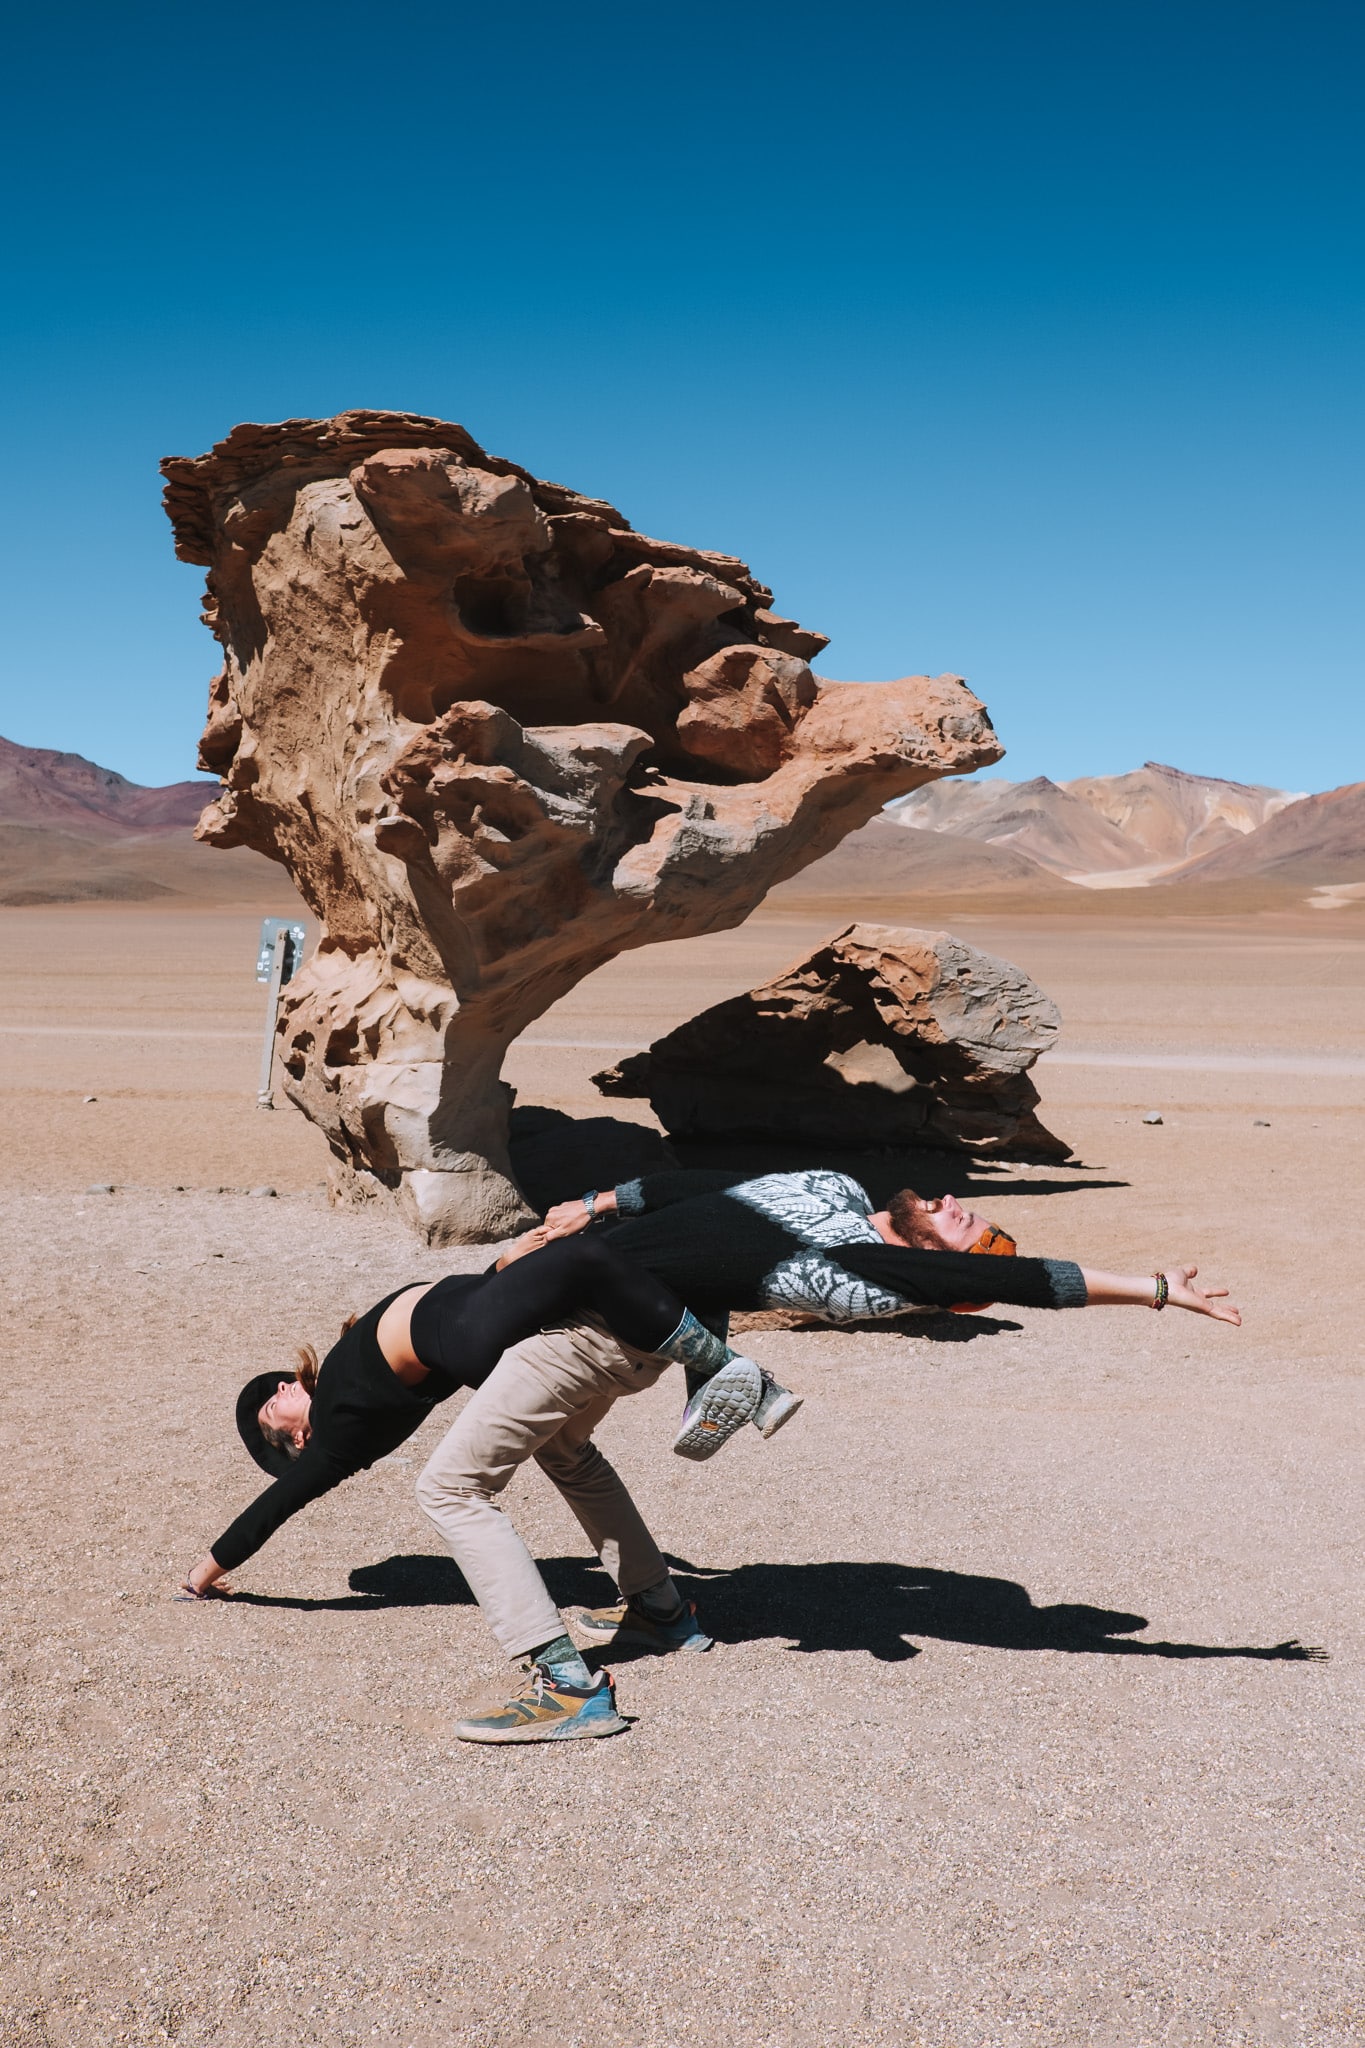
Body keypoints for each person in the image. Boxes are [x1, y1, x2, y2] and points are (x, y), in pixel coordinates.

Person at [179, 1233, 770, 1743]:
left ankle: (588, 1666)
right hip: (584, 1335)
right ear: (296, 1442)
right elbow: (276, 1505)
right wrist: (204, 1574)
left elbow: (467, 1309)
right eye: (268, 1412)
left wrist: (503, 1263)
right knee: (552, 1456)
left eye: (274, 1388)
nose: (277, 1391)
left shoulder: (342, 1377)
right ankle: (651, 1616)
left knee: (476, 1480)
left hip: (573, 1329)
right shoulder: (337, 1434)